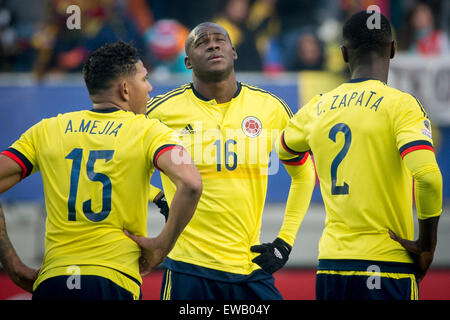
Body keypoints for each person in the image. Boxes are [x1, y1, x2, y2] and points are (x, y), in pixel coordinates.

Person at [127, 22, 316, 300]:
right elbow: (121, 165)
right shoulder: (160, 111)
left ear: (234, 52)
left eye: (220, 40)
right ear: (188, 61)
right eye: (202, 42)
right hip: (188, 268)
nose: (213, 45)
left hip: (250, 267)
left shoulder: (271, 109)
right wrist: (158, 198)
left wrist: (285, 241)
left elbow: (304, 173)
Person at [0, 41, 202, 300]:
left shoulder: (48, 129)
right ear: (125, 89)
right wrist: (161, 247)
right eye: (145, 79)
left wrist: (13, 265)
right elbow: (191, 183)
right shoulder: (148, 131)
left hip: (56, 280)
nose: (150, 88)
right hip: (113, 280)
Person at [278, 11, 442, 300]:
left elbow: (286, 149)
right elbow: (429, 178)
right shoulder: (401, 106)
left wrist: (303, 177)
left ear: (343, 54)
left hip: (331, 265)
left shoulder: (317, 107)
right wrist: (427, 245)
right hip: (387, 264)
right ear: (392, 49)